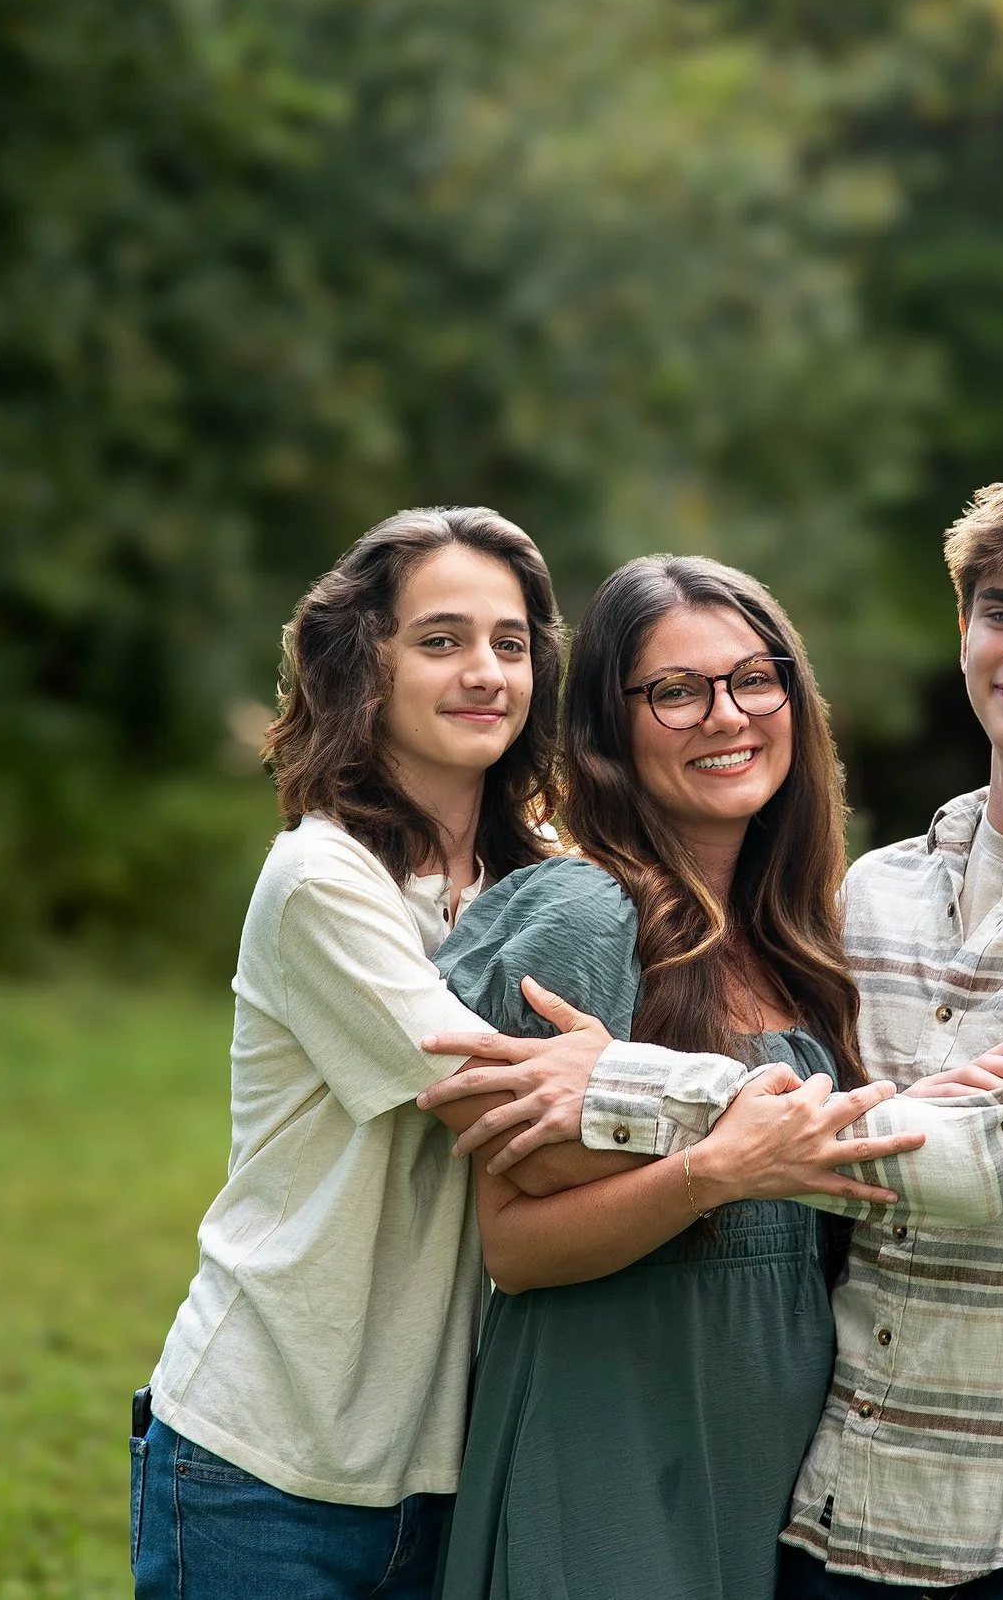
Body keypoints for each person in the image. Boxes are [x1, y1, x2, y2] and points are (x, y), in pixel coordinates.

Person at [431, 465, 1003, 1598]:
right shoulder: (870, 899)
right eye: (999, 613)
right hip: (841, 1513)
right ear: (962, 631)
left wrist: (631, 1086)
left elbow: (979, 1154)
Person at [130, 508, 912, 1600]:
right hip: (280, 1444)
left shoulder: (539, 877)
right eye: (440, 640)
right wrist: (721, 1126)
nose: (484, 672)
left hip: (440, 1444)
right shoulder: (325, 882)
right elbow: (516, 1120)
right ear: (367, 664)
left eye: (509, 643)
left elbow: (595, 1101)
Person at [427, 555, 889, 1600]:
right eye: (675, 691)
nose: (724, 714)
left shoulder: (807, 938)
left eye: (752, 677)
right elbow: (515, 1242)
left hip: (779, 1470)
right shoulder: (588, 911)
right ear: (609, 729)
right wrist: (712, 1169)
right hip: (611, 1445)